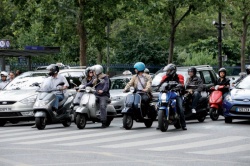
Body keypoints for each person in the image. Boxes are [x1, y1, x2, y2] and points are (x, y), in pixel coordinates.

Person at [157, 64, 187, 130]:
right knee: (158, 104)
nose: (167, 72)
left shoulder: (179, 76)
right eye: (167, 71)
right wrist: (158, 87)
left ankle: (183, 124)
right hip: (167, 93)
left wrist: (179, 86)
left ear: (173, 71)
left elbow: (181, 84)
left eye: (168, 71)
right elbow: (160, 84)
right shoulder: (165, 77)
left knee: (180, 108)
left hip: (176, 93)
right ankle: (160, 123)